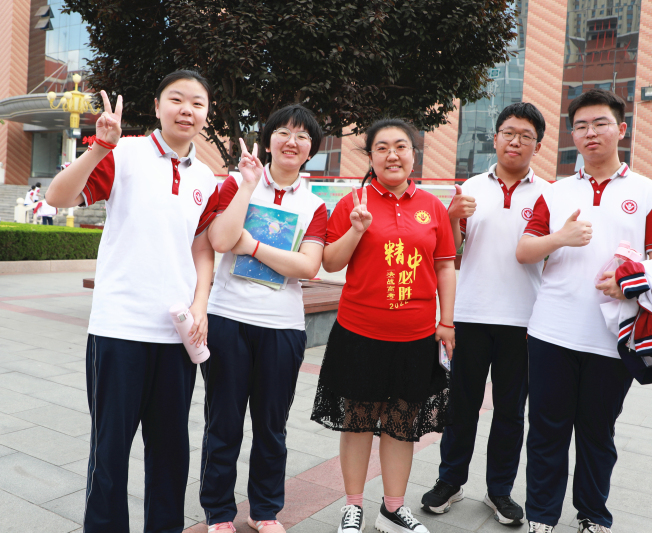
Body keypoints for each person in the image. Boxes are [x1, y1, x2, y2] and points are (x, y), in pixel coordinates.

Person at [45, 69, 219, 533]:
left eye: (197, 103)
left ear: (207, 113)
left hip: (176, 335)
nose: (187, 110)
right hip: (119, 329)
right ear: (157, 106)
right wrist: (100, 147)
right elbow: (58, 197)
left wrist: (201, 304)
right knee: (110, 451)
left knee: (171, 453)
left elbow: (202, 247)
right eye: (176, 99)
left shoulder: (205, 177)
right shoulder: (123, 152)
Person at [515, 89, 652, 533]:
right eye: (581, 126)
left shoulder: (648, 193)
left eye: (600, 123)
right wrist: (559, 239)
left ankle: (593, 515)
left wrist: (630, 282)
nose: (591, 133)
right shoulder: (556, 193)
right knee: (546, 430)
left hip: (614, 336)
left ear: (621, 129)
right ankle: (542, 516)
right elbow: (524, 251)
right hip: (551, 332)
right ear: (572, 135)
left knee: (597, 432)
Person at [311, 118, 457, 533]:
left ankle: (392, 510)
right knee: (358, 421)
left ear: (413, 154)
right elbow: (330, 262)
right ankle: (353, 506)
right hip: (360, 335)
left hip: (415, 337)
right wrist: (357, 230)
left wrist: (446, 322)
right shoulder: (352, 202)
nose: (392, 155)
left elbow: (445, 267)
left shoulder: (431, 206)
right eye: (382, 148)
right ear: (371, 157)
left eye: (401, 146)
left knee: (401, 424)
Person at [419, 103, 549, 525]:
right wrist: (451, 219)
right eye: (508, 133)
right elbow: (449, 254)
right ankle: (450, 482)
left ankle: (499, 491)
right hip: (471, 316)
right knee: (462, 406)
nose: (515, 141)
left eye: (525, 136)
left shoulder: (549, 194)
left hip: (524, 321)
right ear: (495, 138)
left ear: (538, 145)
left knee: (511, 412)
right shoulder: (470, 187)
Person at [200, 105, 327, 533]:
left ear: (311, 149)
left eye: (302, 136)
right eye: (283, 132)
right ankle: (219, 512)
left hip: (282, 327)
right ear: (268, 139)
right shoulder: (237, 183)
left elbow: (308, 266)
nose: (292, 141)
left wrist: (252, 246)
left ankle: (265, 511)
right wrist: (248, 185)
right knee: (223, 422)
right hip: (227, 319)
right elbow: (220, 239)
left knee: (272, 427)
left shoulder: (314, 205)